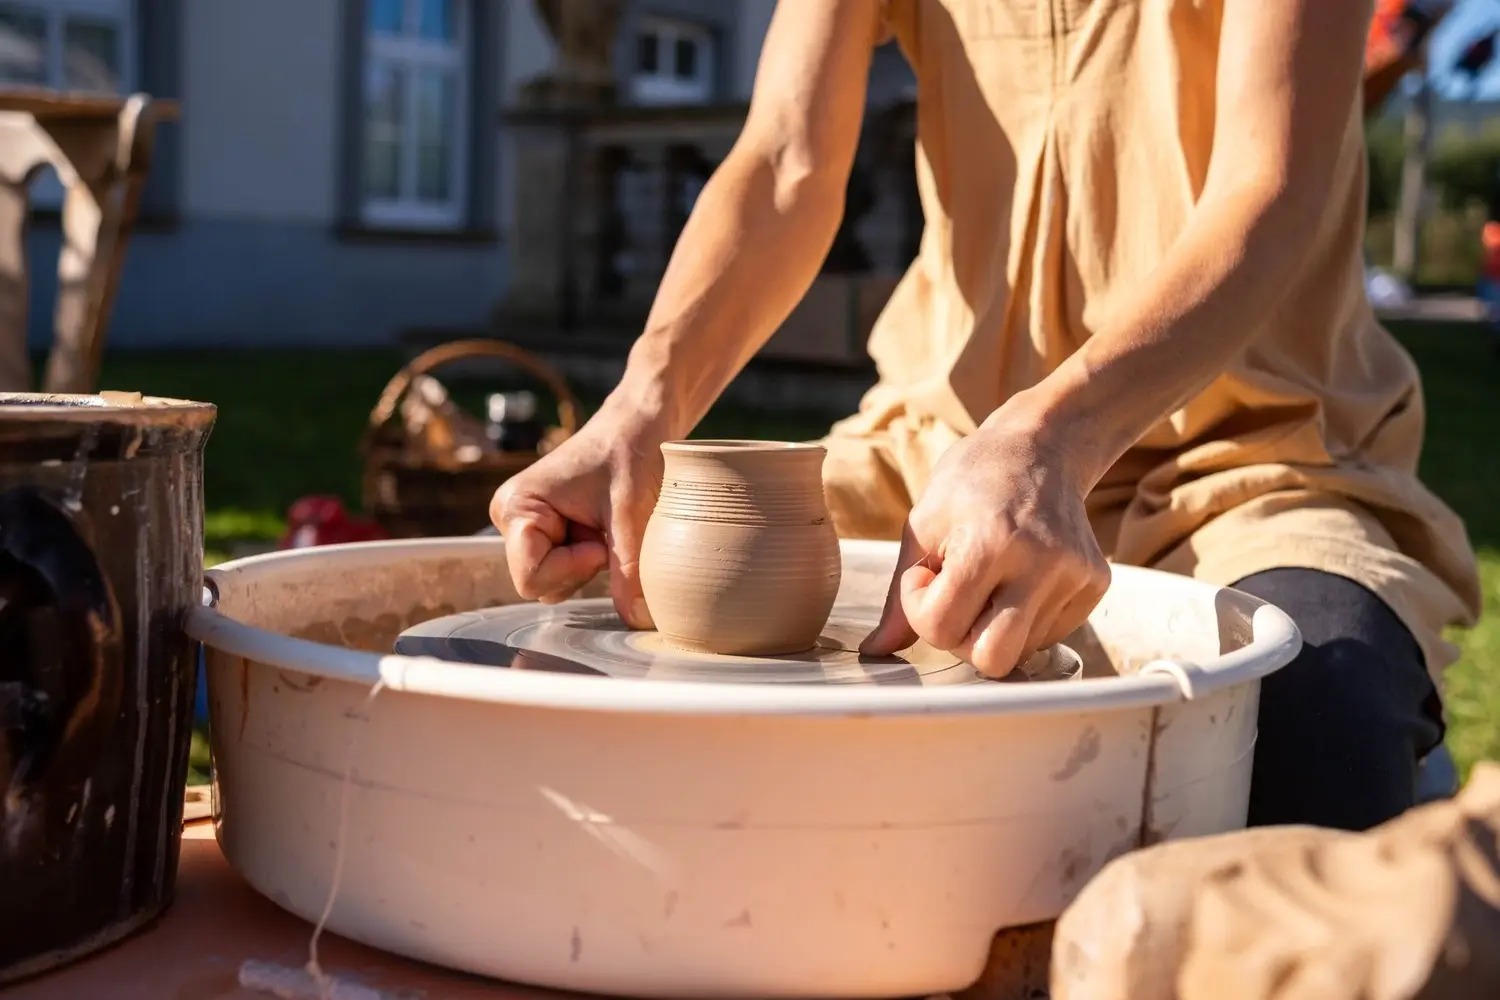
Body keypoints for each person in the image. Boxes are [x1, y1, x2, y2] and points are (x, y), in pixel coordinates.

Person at [492, 0, 1481, 833]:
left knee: (1316, 710)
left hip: (1257, 456)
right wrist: (640, 407)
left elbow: (1269, 182)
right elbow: (787, 161)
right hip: (936, 455)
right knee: (614, 685)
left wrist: (1052, 434)